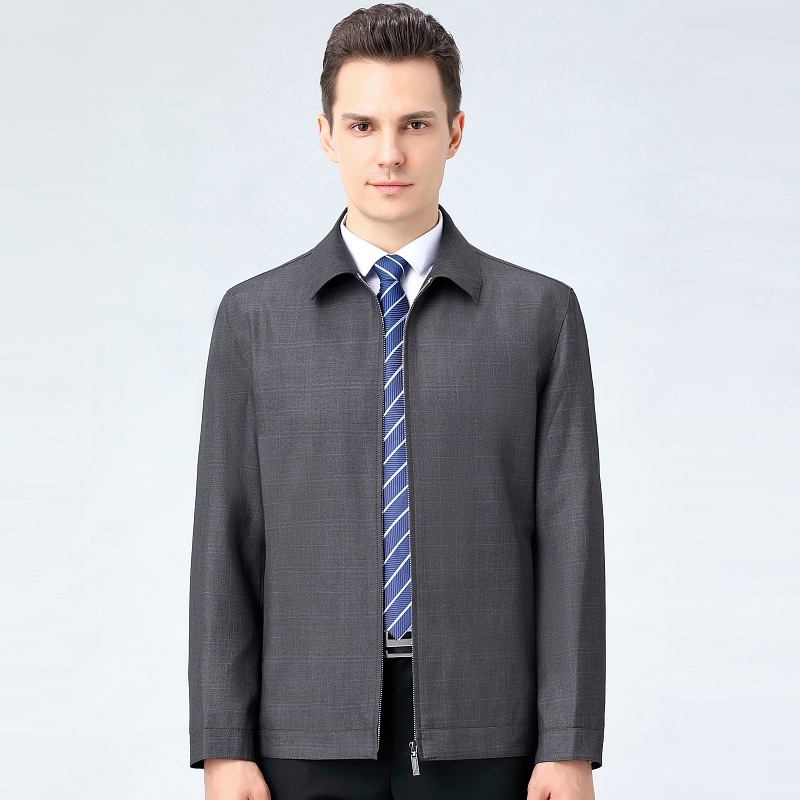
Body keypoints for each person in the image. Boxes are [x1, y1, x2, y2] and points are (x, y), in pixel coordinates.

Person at [188, 4, 606, 799]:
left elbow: (570, 543)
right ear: (326, 135)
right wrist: (222, 745)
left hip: (487, 729)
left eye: (415, 124)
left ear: (454, 132)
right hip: (303, 731)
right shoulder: (255, 319)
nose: (389, 154)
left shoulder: (539, 316)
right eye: (362, 126)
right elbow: (226, 541)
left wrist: (569, 743)